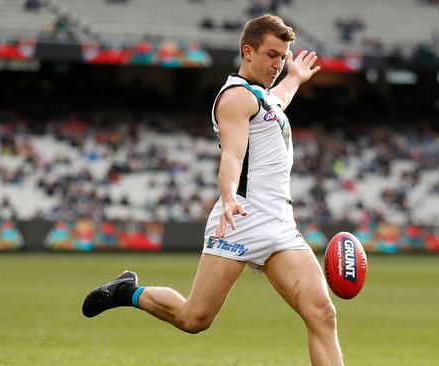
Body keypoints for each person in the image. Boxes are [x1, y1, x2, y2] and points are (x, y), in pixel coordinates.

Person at [82, 14, 343, 365]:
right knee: (195, 318)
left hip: (281, 223)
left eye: (283, 57)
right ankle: (128, 291)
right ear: (247, 52)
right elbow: (233, 157)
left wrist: (294, 79)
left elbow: (277, 99)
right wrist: (228, 196)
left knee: (322, 315)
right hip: (241, 218)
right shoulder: (235, 98)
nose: (278, 64)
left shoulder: (261, 97)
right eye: (271, 55)